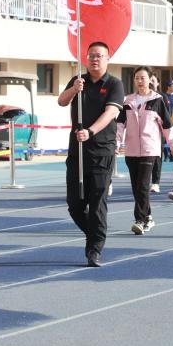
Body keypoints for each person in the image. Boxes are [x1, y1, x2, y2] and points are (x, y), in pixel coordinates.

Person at [57, 41, 124, 267]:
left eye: (99, 56)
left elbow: (111, 113)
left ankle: (94, 249)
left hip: (101, 151)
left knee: (97, 202)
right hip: (77, 151)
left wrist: (91, 131)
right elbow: (61, 101)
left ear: (107, 59)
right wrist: (74, 89)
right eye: (91, 56)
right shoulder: (78, 81)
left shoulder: (114, 84)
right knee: (75, 205)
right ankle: (94, 233)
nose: (95, 59)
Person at [118, 67, 173, 234]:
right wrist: (116, 143)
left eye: (143, 77)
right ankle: (148, 217)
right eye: (137, 78)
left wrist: (172, 144)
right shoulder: (128, 101)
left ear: (150, 79)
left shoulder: (157, 100)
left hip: (150, 149)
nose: (139, 81)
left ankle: (140, 220)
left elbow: (166, 125)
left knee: (143, 186)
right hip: (131, 150)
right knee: (137, 188)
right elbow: (120, 124)